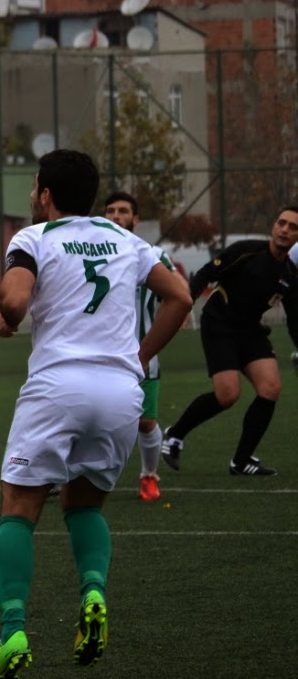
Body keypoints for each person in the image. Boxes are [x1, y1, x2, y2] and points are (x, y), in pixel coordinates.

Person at [0, 150, 191, 679]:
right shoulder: (127, 240)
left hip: (58, 386)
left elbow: (13, 302)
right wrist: (139, 357)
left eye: (35, 188)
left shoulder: (34, 238)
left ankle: (12, 631)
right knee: (83, 505)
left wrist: (8, 315)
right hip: (120, 392)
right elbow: (180, 297)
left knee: (18, 509)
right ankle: (94, 591)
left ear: (45, 194)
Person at [161, 205, 298, 476]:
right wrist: (184, 303)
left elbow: (295, 318)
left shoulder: (290, 276)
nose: (285, 230)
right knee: (228, 395)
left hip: (250, 331)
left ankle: (241, 461)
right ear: (274, 226)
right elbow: (205, 274)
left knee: (270, 388)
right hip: (219, 324)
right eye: (282, 223)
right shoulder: (247, 251)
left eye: (293, 227)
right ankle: (175, 435)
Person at [102, 191, 190, 501]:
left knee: (144, 421)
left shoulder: (152, 254)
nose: (116, 216)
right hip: (100, 355)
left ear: (135, 219)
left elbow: (179, 292)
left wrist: (177, 313)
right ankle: (81, 475)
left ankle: (149, 476)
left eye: (123, 210)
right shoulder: (94, 255)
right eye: (110, 210)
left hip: (142, 355)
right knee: (92, 418)